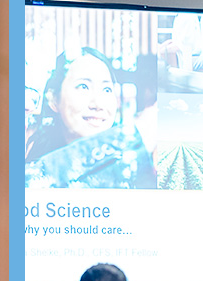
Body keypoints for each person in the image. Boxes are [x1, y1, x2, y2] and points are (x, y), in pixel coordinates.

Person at [25, 48, 156, 189]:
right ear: (54, 100)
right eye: (83, 86)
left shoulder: (138, 169)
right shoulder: (35, 173)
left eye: (107, 89)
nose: (98, 104)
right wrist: (134, 135)